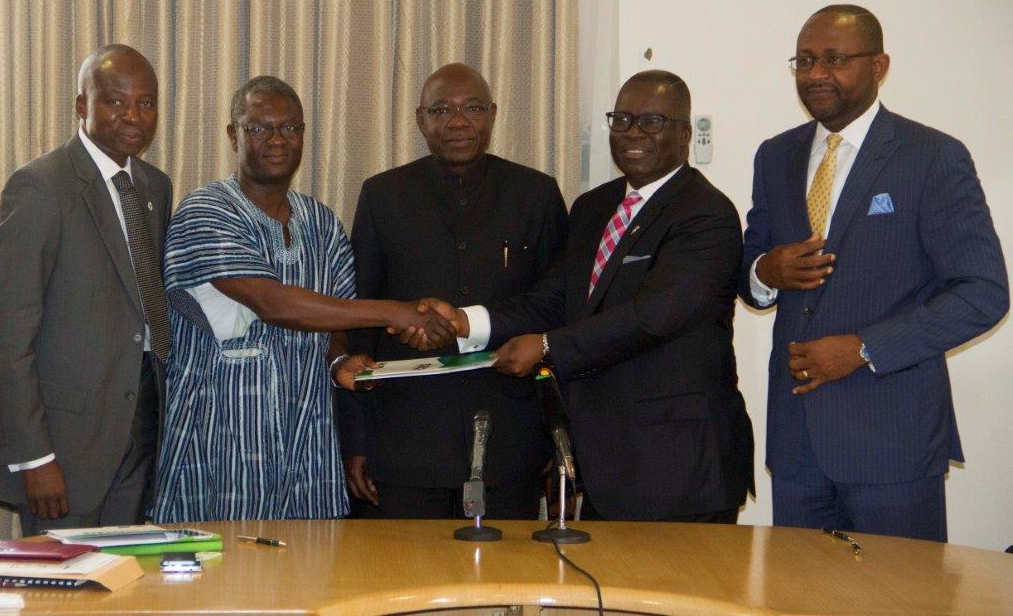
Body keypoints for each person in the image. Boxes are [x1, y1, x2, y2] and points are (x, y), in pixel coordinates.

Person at [430, 70, 754, 522]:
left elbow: (651, 317)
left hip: (679, 465)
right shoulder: (593, 208)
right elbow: (554, 298)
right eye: (621, 119)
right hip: (605, 463)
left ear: (684, 132)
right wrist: (469, 321)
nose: (633, 133)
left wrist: (546, 347)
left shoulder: (705, 214)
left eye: (652, 121)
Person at [738, 5, 1008, 541]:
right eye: (806, 60)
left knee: (902, 598)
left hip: (893, 441)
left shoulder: (932, 156)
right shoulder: (776, 156)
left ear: (880, 65)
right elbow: (752, 271)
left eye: (835, 59)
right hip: (797, 442)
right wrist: (766, 271)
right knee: (801, 599)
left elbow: (983, 292)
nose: (816, 74)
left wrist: (864, 348)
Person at [149, 76, 454, 522]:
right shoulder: (206, 210)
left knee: (308, 576)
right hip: (221, 438)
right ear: (233, 135)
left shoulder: (321, 222)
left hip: (305, 436)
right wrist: (397, 310)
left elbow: (337, 324)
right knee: (224, 580)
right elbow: (275, 305)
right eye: (259, 128)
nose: (276, 139)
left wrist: (339, 362)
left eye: (290, 128)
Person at [338, 63, 569, 519]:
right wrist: (356, 440)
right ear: (420, 119)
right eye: (441, 109)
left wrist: (555, 435)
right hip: (406, 443)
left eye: (473, 108)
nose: (458, 121)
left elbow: (558, 305)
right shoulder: (383, 195)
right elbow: (359, 318)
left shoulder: (535, 194)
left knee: (501, 585)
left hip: (511, 439)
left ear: (493, 114)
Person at [0, 45, 170, 535]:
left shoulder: (155, 186)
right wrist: (33, 457)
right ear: (81, 105)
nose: (134, 116)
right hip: (65, 452)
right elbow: (6, 338)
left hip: (140, 434)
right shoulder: (40, 187)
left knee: (127, 593)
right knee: (62, 600)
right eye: (115, 101)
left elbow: (140, 306)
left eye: (147, 103)